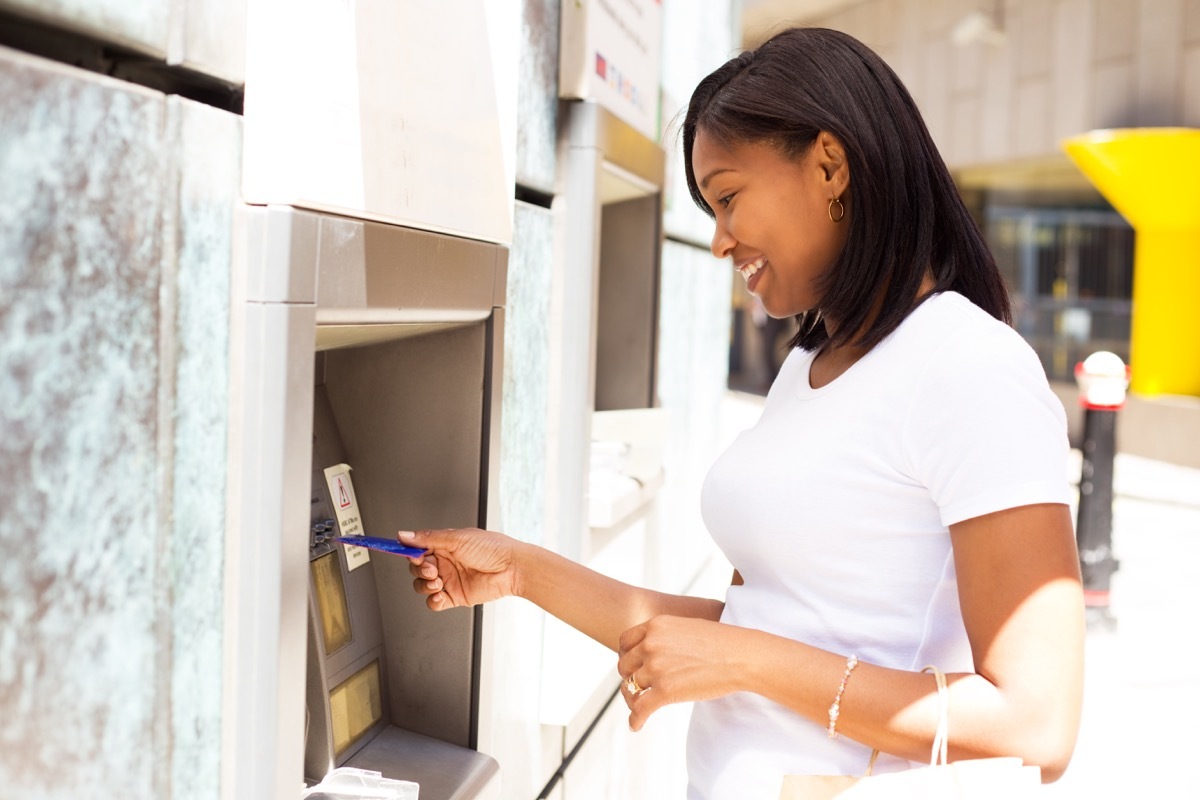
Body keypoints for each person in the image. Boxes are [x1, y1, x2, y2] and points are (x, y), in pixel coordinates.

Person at [400, 27, 1084, 799]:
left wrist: (746, 661)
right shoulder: (809, 366)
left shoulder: (969, 367)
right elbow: (746, 626)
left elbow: (1035, 726)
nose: (720, 241)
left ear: (830, 166)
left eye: (727, 198)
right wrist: (521, 569)